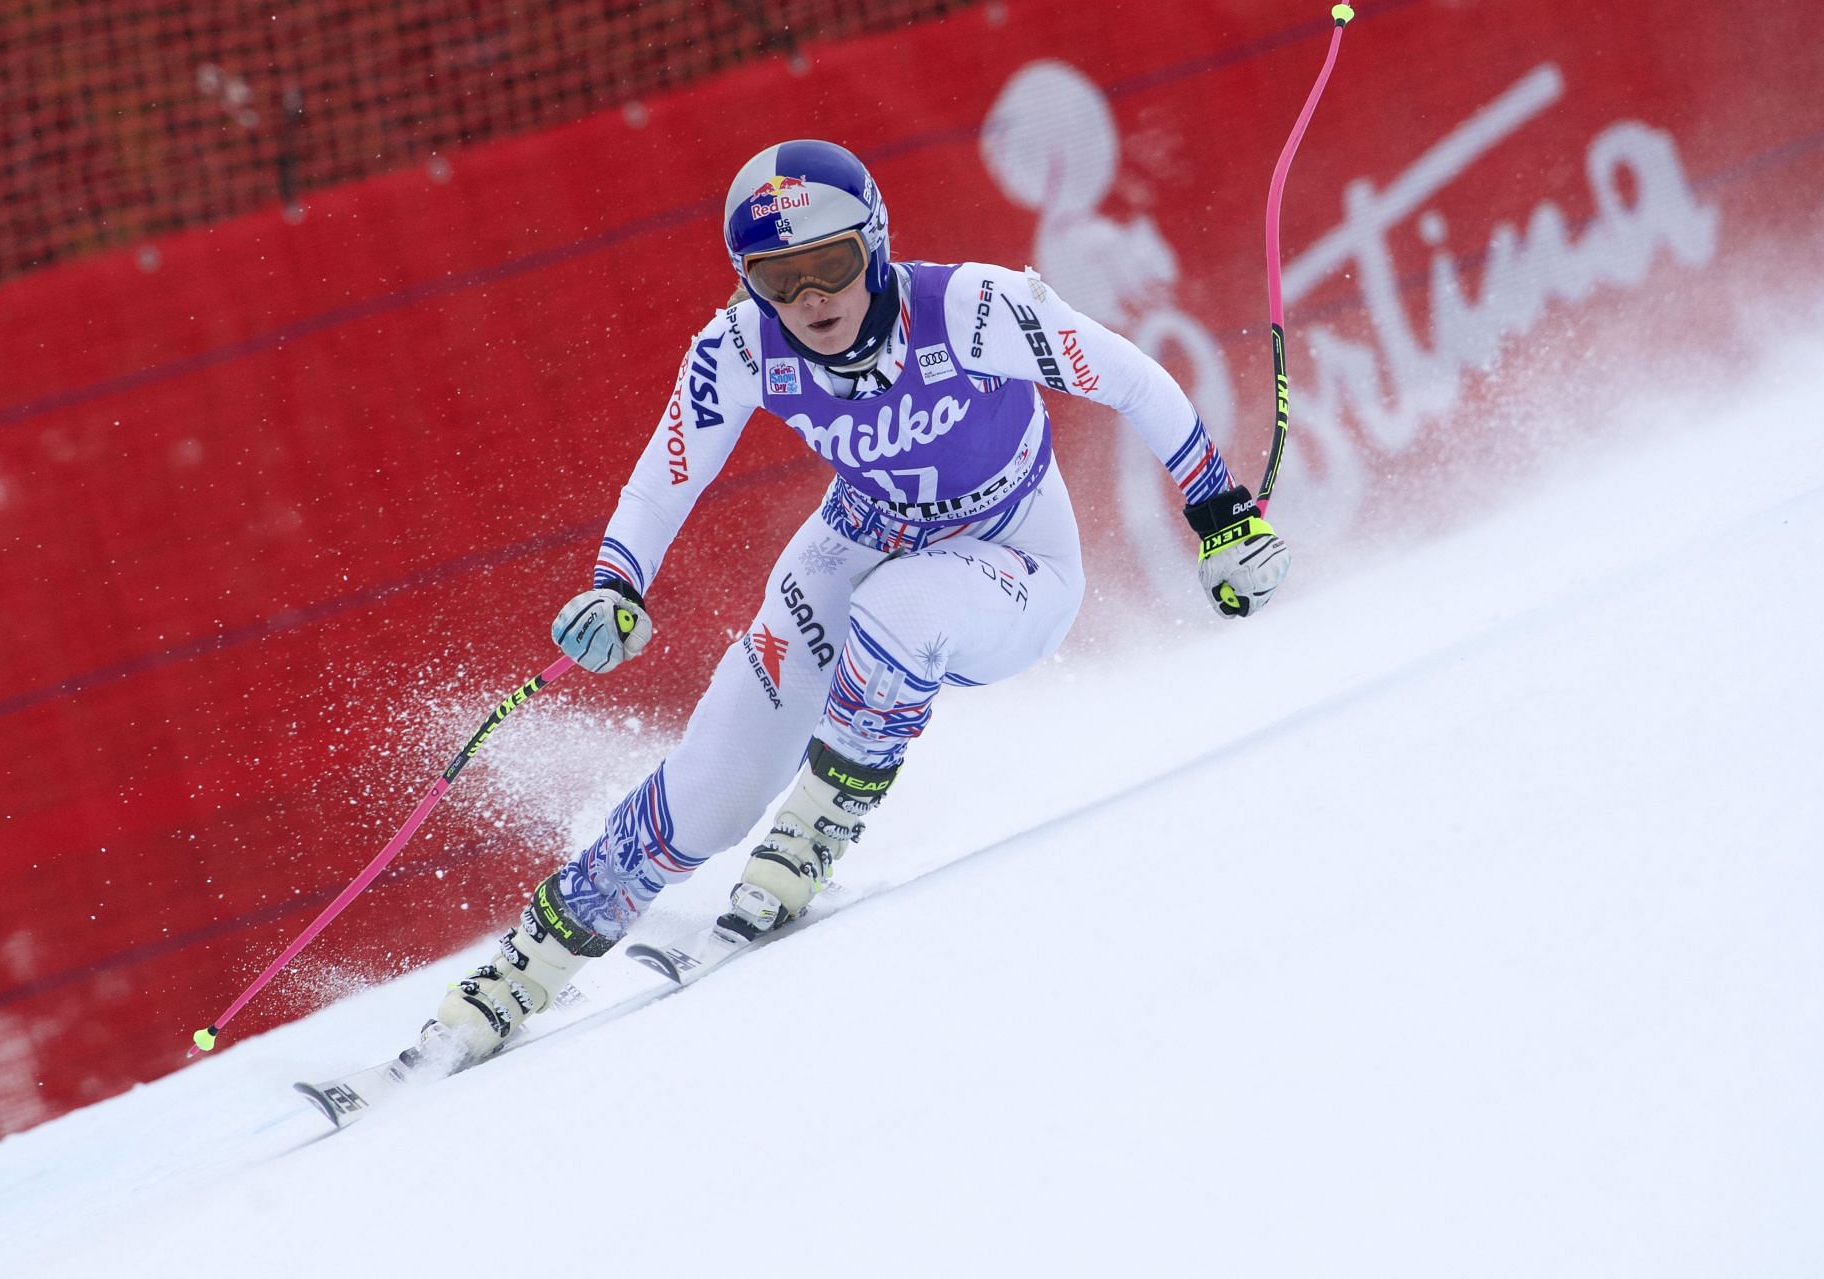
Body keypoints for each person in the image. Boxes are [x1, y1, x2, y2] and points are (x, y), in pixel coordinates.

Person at [414, 138, 1290, 1064]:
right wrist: (616, 581)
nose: (809, 302)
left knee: (905, 609)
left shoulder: (973, 307)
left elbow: (1133, 379)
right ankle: (525, 967)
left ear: (873, 244)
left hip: (1014, 560)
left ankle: (809, 839)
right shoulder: (743, 345)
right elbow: (668, 473)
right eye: (775, 278)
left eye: (828, 267)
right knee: (714, 787)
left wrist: (1222, 515)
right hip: (854, 539)